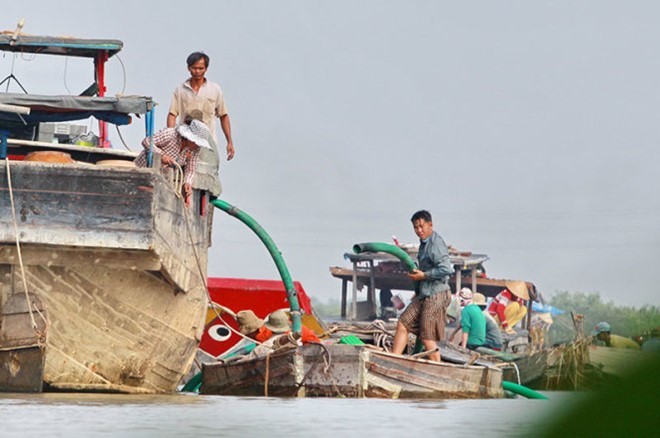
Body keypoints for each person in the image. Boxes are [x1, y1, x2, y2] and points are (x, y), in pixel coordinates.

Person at [392, 210, 454, 362]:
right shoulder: (423, 244)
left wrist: (424, 276)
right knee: (403, 323)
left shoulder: (436, 243)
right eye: (415, 227)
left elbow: (446, 269)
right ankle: (392, 360)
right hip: (424, 293)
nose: (419, 230)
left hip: (437, 294)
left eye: (421, 226)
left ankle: (438, 368)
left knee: (426, 336)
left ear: (430, 225)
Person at [167, 51, 234, 161]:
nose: (197, 71)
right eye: (194, 68)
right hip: (185, 142)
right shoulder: (180, 90)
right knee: (184, 173)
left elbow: (223, 116)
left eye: (201, 68)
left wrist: (229, 142)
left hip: (207, 142)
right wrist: (171, 139)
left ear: (206, 69)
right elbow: (172, 114)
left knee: (206, 172)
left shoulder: (214, 89)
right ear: (188, 68)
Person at [134, 120, 211, 207]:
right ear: (189, 137)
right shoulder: (171, 134)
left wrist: (187, 183)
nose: (197, 146)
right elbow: (147, 142)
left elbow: (191, 168)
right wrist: (162, 156)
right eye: (196, 142)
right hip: (141, 173)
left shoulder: (195, 149)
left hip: (162, 182)